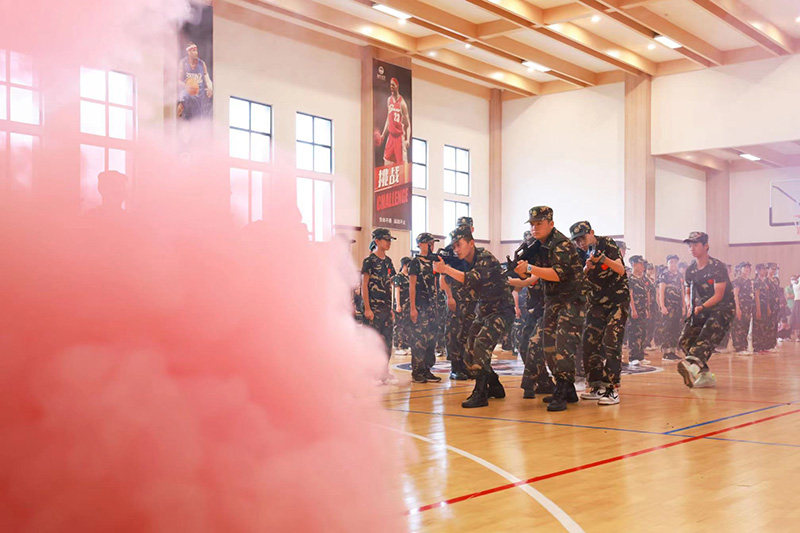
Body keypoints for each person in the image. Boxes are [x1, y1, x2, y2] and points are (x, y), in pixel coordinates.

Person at [514, 206, 585, 412]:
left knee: (563, 345)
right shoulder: (537, 245)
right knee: (542, 344)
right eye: (532, 224)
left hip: (572, 301)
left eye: (539, 224)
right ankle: (566, 387)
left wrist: (529, 268)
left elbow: (557, 274)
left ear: (551, 224)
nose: (534, 228)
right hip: (552, 301)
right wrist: (522, 270)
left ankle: (562, 388)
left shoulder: (561, 244)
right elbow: (532, 276)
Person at [434, 227, 514, 408]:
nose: (456, 249)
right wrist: (444, 271)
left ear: (471, 243)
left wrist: (446, 269)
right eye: (454, 246)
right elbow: (454, 284)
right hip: (484, 311)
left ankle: (481, 392)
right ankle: (494, 385)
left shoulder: (485, 258)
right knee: (469, 350)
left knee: (481, 345)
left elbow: (470, 278)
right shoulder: (463, 262)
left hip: (501, 311)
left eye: (459, 244)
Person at [569, 221, 628, 406]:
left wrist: (603, 260)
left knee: (612, 340)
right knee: (589, 341)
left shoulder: (607, 243)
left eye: (582, 238)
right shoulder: (578, 252)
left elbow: (620, 269)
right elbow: (578, 279)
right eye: (576, 240)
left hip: (617, 301)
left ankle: (612, 389)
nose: (580, 243)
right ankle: (597, 386)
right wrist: (587, 267)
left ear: (592, 233)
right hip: (596, 303)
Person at [676, 232, 735, 389]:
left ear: (706, 246)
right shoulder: (690, 270)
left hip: (723, 309)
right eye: (690, 245)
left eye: (695, 245)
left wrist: (701, 307)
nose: (692, 248)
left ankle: (692, 367)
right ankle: (705, 375)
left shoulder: (717, 267)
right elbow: (688, 292)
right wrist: (689, 305)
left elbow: (719, 295)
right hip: (702, 309)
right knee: (685, 340)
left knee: (706, 335)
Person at [440, 216, 477, 381]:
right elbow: (442, 278)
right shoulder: (450, 250)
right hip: (456, 298)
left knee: (468, 333)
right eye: (460, 227)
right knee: (454, 332)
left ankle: (466, 365)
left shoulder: (474, 250)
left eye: (466, 227)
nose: (463, 229)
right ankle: (455, 367)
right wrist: (449, 297)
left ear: (472, 229)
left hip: (471, 299)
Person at [361, 228, 397, 384]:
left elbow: (391, 284)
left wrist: (392, 308)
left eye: (390, 240)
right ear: (377, 241)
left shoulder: (388, 261)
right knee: (372, 342)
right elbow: (364, 285)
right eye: (386, 240)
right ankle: (371, 374)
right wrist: (367, 308)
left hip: (386, 309)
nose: (389, 243)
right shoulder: (369, 261)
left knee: (387, 341)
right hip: (374, 309)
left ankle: (383, 372)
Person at [408, 233, 442, 384]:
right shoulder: (415, 262)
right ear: (420, 244)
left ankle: (427, 369)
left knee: (431, 339)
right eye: (429, 243)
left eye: (432, 243)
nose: (431, 246)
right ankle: (417, 371)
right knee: (419, 339)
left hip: (432, 306)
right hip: (420, 306)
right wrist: (412, 308)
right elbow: (412, 286)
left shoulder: (435, 261)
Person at [377, 77, 410, 166]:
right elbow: (388, 119)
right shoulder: (389, 100)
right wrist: (383, 134)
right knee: (386, 161)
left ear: (397, 86)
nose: (391, 87)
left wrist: (407, 139)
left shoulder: (402, 104)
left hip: (399, 138)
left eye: (393, 85)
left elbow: (408, 124)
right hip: (391, 136)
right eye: (390, 85)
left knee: (402, 167)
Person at [657, 255, 685, 362]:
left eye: (675, 262)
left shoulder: (680, 276)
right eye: (671, 262)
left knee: (676, 329)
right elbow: (661, 291)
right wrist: (662, 306)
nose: (673, 264)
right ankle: (666, 353)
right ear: (667, 263)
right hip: (668, 307)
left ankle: (673, 351)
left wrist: (683, 306)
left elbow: (682, 291)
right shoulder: (664, 275)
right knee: (667, 329)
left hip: (677, 307)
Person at [177, 42, 213, 120]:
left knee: (197, 121)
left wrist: (210, 87)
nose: (196, 52)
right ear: (189, 52)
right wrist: (186, 86)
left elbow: (207, 78)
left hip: (199, 97)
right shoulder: (183, 63)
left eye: (196, 50)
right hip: (188, 95)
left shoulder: (202, 64)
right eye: (193, 50)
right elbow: (178, 81)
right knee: (183, 97)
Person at [627, 255, 650, 366]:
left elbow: (645, 295)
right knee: (634, 333)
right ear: (634, 264)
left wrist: (646, 309)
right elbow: (630, 295)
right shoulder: (630, 279)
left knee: (642, 332)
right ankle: (633, 357)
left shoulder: (642, 279)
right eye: (641, 264)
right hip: (635, 309)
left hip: (642, 310)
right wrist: (633, 309)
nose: (643, 266)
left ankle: (640, 356)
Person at [731, 261, 754, 354]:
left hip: (748, 307)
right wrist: (737, 308)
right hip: (740, 306)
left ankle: (744, 346)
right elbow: (735, 295)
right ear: (740, 269)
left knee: (745, 326)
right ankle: (739, 347)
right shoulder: (737, 281)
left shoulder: (748, 281)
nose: (747, 269)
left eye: (748, 267)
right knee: (738, 326)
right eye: (745, 267)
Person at [392, 257, 412, 355]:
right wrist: (398, 305)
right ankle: (398, 346)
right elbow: (397, 291)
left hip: (409, 305)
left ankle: (405, 345)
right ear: (405, 265)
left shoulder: (410, 277)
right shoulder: (398, 277)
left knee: (407, 325)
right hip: (401, 304)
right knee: (399, 325)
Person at [753, 263, 772, 353]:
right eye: (762, 269)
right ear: (758, 271)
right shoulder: (756, 282)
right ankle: (757, 347)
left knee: (764, 326)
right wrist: (758, 310)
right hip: (758, 306)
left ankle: (763, 346)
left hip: (764, 306)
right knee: (758, 327)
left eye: (765, 269)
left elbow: (767, 296)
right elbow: (757, 296)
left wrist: (768, 307)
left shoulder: (764, 282)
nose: (764, 271)